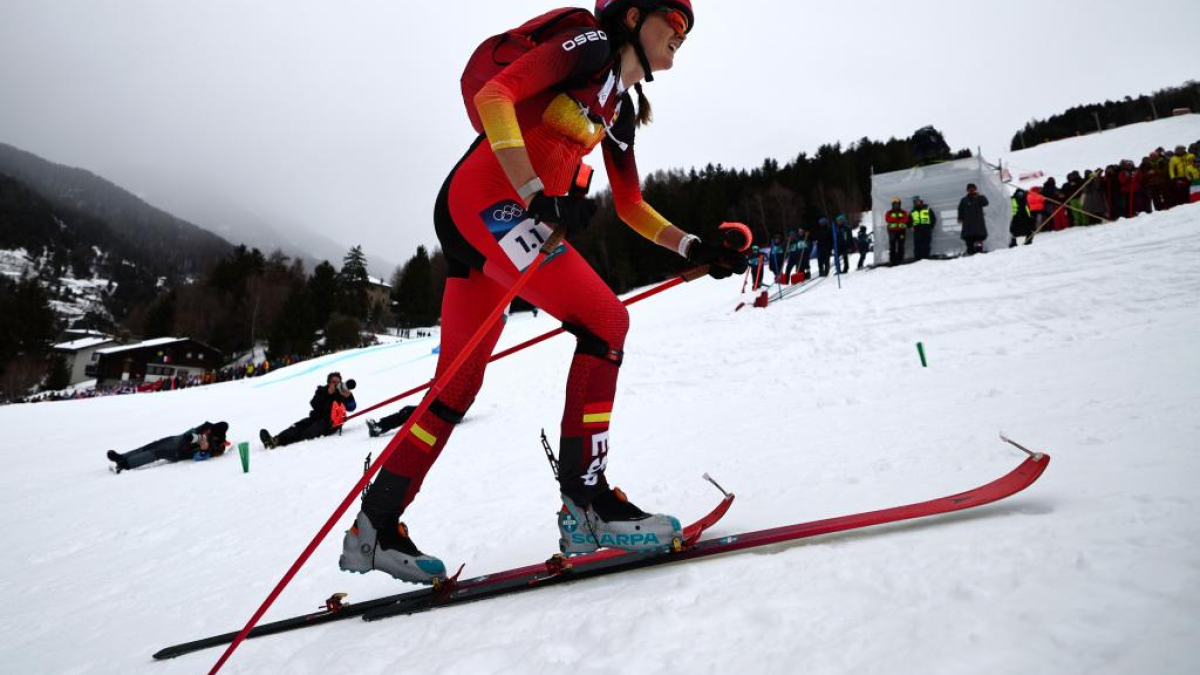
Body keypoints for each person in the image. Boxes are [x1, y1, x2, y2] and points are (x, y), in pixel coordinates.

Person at [341, 0, 747, 586]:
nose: (682, 33)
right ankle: (587, 507)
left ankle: (374, 528)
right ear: (633, 17)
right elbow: (496, 97)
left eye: (688, 27)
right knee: (606, 322)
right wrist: (534, 192)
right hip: (487, 200)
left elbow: (630, 206)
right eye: (674, 20)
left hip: (489, 214)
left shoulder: (620, 108)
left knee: (456, 386)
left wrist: (693, 247)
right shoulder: (592, 45)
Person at [260, 372, 357, 448]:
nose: (336, 384)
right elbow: (314, 404)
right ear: (328, 383)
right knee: (297, 426)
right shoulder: (322, 390)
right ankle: (275, 440)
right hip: (315, 418)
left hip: (330, 423)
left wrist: (348, 397)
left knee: (308, 432)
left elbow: (352, 407)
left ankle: (286, 441)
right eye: (333, 382)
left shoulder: (343, 393)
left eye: (338, 382)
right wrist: (327, 393)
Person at [106, 421, 229, 473]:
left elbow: (198, 458)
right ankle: (122, 456)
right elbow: (190, 433)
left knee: (158, 452)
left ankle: (126, 464)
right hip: (178, 439)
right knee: (151, 445)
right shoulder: (208, 426)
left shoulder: (218, 447)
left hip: (180, 452)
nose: (209, 433)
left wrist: (204, 450)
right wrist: (194, 434)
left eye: (212, 434)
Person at [957, 183, 989, 255]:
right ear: (967, 190)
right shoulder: (964, 200)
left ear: (975, 189)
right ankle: (970, 252)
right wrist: (960, 218)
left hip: (978, 224)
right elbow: (960, 209)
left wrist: (980, 196)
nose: (971, 190)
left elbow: (986, 203)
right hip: (968, 224)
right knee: (969, 240)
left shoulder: (980, 198)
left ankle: (979, 251)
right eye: (969, 189)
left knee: (979, 239)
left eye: (973, 189)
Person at [908, 196, 936, 261]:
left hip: (926, 229)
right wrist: (910, 227)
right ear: (914, 203)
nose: (917, 203)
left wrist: (931, 227)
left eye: (918, 201)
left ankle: (926, 258)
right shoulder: (912, 211)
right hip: (917, 230)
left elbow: (933, 218)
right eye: (915, 202)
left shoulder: (927, 209)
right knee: (917, 245)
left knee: (926, 244)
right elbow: (908, 221)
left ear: (921, 201)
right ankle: (917, 259)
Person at [884, 198, 909, 266]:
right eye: (895, 204)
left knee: (901, 246)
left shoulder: (904, 212)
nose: (896, 205)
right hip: (892, 232)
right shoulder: (889, 212)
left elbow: (905, 220)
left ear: (899, 205)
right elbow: (887, 219)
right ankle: (892, 260)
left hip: (901, 231)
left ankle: (900, 259)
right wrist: (897, 218)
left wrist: (895, 219)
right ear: (892, 205)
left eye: (897, 204)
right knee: (892, 246)